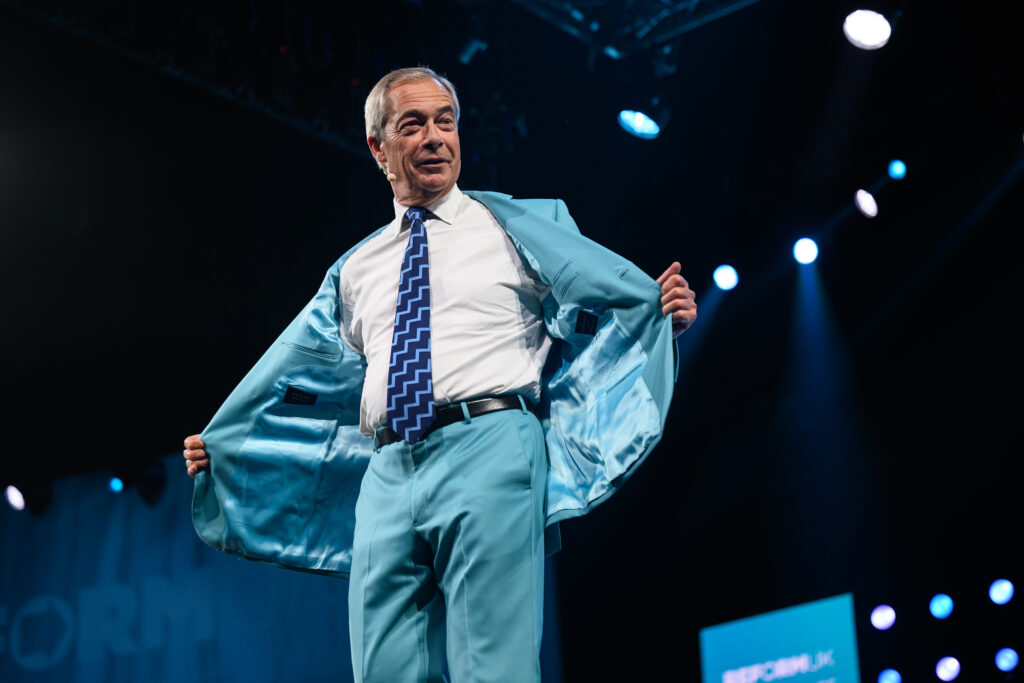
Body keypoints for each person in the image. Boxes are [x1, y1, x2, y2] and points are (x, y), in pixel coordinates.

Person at [184, 66, 696, 683]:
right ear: (379, 148)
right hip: (387, 468)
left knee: (494, 667)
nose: (434, 137)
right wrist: (230, 445)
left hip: (492, 444)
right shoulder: (354, 270)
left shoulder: (515, 227)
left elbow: (593, 314)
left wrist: (655, 318)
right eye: (413, 125)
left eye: (445, 122)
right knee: (383, 671)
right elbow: (305, 385)